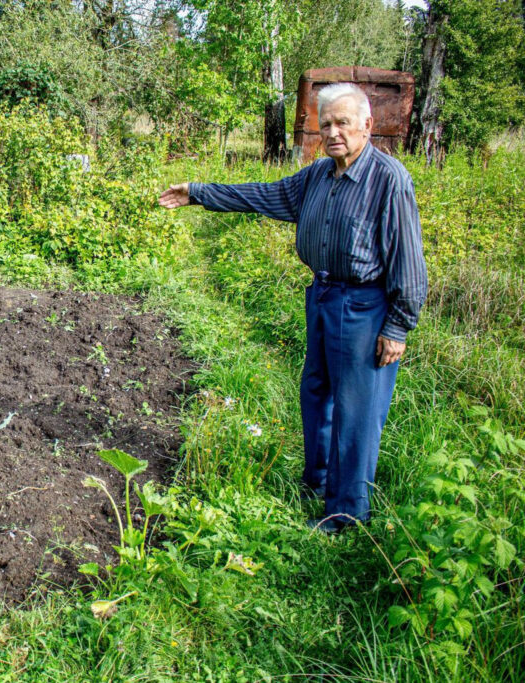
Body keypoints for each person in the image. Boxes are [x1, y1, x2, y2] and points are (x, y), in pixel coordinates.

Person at [159, 82, 427, 533]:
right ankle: (317, 482)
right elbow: (263, 196)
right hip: (322, 296)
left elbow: (408, 259)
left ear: (367, 125)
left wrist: (398, 326)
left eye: (342, 122)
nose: (333, 132)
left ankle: (345, 515)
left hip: (364, 305)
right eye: (326, 124)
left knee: (357, 412)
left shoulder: (388, 178)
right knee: (317, 392)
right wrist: (199, 192)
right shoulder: (318, 176)